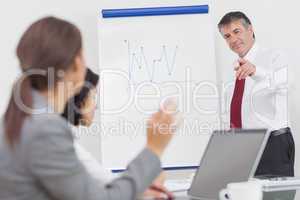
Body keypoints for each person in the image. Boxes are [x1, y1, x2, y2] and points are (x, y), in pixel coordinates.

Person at [0, 16, 179, 200]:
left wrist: (137, 192)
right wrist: (154, 148)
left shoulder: (22, 117)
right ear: (77, 63)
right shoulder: (46, 128)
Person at [62, 67, 172, 198]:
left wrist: (140, 188)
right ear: (79, 98)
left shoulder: (66, 141)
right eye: (93, 96)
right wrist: (154, 150)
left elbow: (109, 185)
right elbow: (113, 193)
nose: (96, 106)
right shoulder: (66, 147)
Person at [218, 11, 295, 177]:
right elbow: (229, 111)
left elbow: (286, 82)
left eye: (236, 32)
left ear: (250, 29)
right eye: (227, 36)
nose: (233, 40)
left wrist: (256, 71)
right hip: (240, 147)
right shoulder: (231, 69)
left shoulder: (274, 56)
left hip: (272, 145)